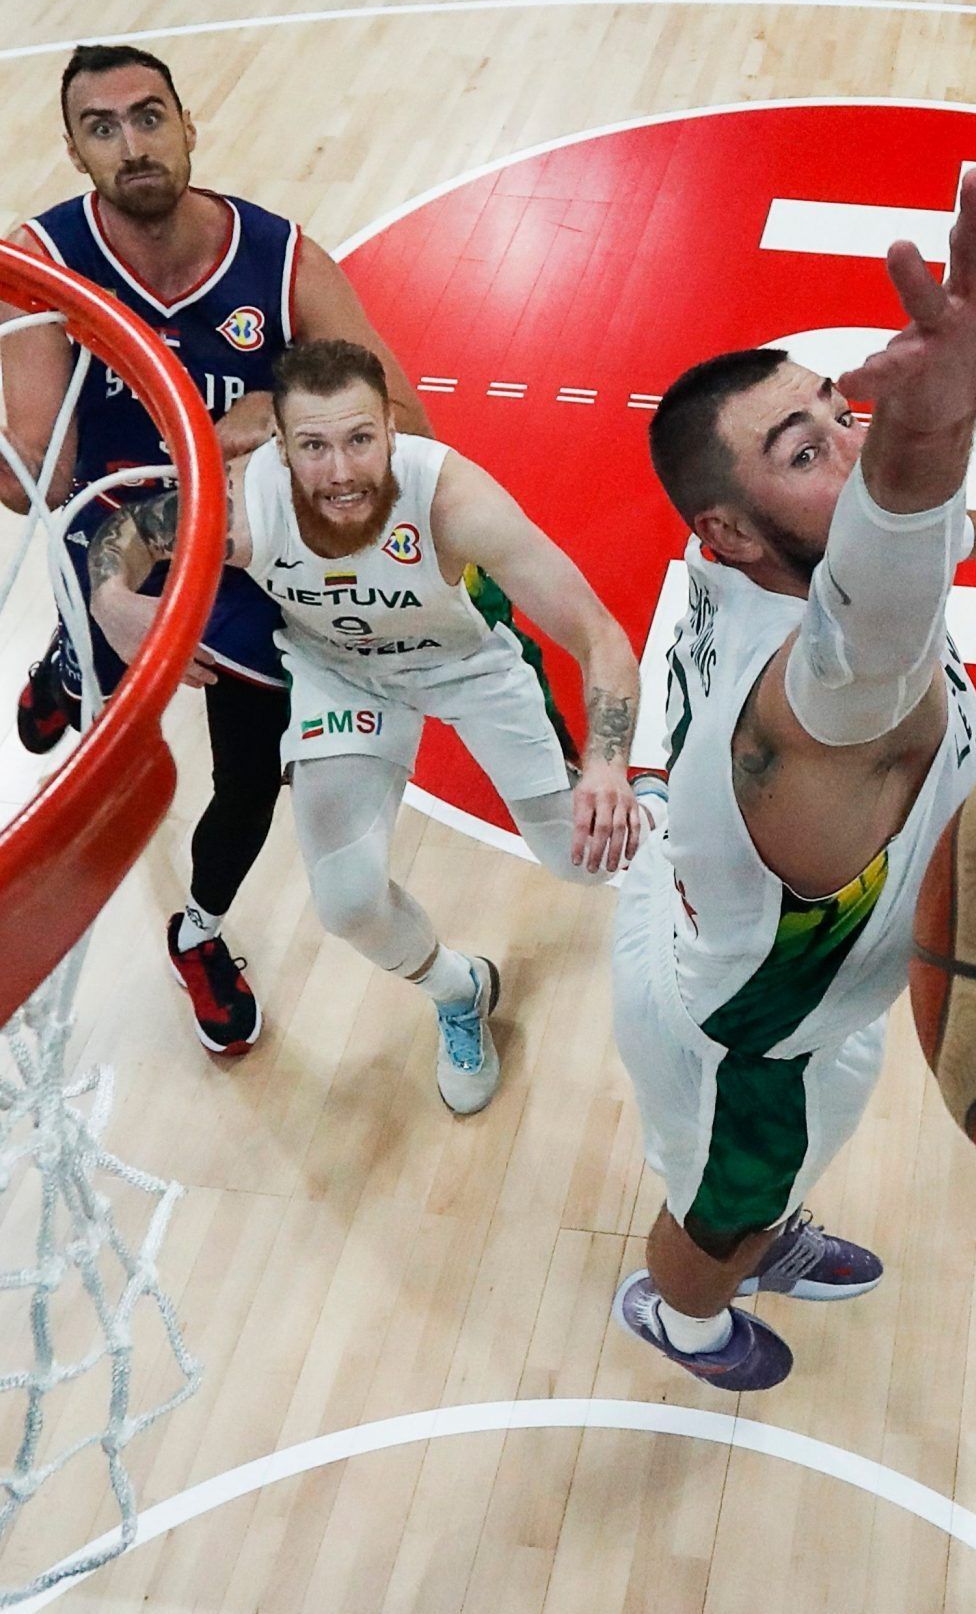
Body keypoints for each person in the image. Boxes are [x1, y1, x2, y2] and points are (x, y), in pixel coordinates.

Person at [608, 139, 976, 1390]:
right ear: (723, 525)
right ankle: (684, 1312)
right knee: (720, 1202)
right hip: (738, 1034)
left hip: (784, 954)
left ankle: (766, 1229)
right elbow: (880, 580)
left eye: (841, 409)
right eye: (800, 449)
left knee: (838, 1097)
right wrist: (941, 411)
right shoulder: (821, 695)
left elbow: (884, 552)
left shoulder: (757, 560)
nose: (849, 446)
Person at [2, 43, 571, 1057]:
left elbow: (411, 427)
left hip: (242, 547)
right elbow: (39, 484)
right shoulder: (44, 263)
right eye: (102, 127)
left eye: (148, 116)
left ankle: (200, 931)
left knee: (251, 768)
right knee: (108, 669)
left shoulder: (282, 261)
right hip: (120, 542)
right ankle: (67, 655)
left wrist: (289, 409)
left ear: (187, 125)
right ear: (76, 150)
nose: (132, 145)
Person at [85, 339, 641, 1115]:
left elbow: (600, 637)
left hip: (466, 666)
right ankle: (460, 992)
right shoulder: (245, 503)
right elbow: (133, 533)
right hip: (340, 673)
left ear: (391, 425)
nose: (340, 471)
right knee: (345, 900)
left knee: (582, 859)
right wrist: (112, 602)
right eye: (312, 446)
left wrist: (609, 765)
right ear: (279, 445)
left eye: (359, 439)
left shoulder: (452, 500)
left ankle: (701, 844)